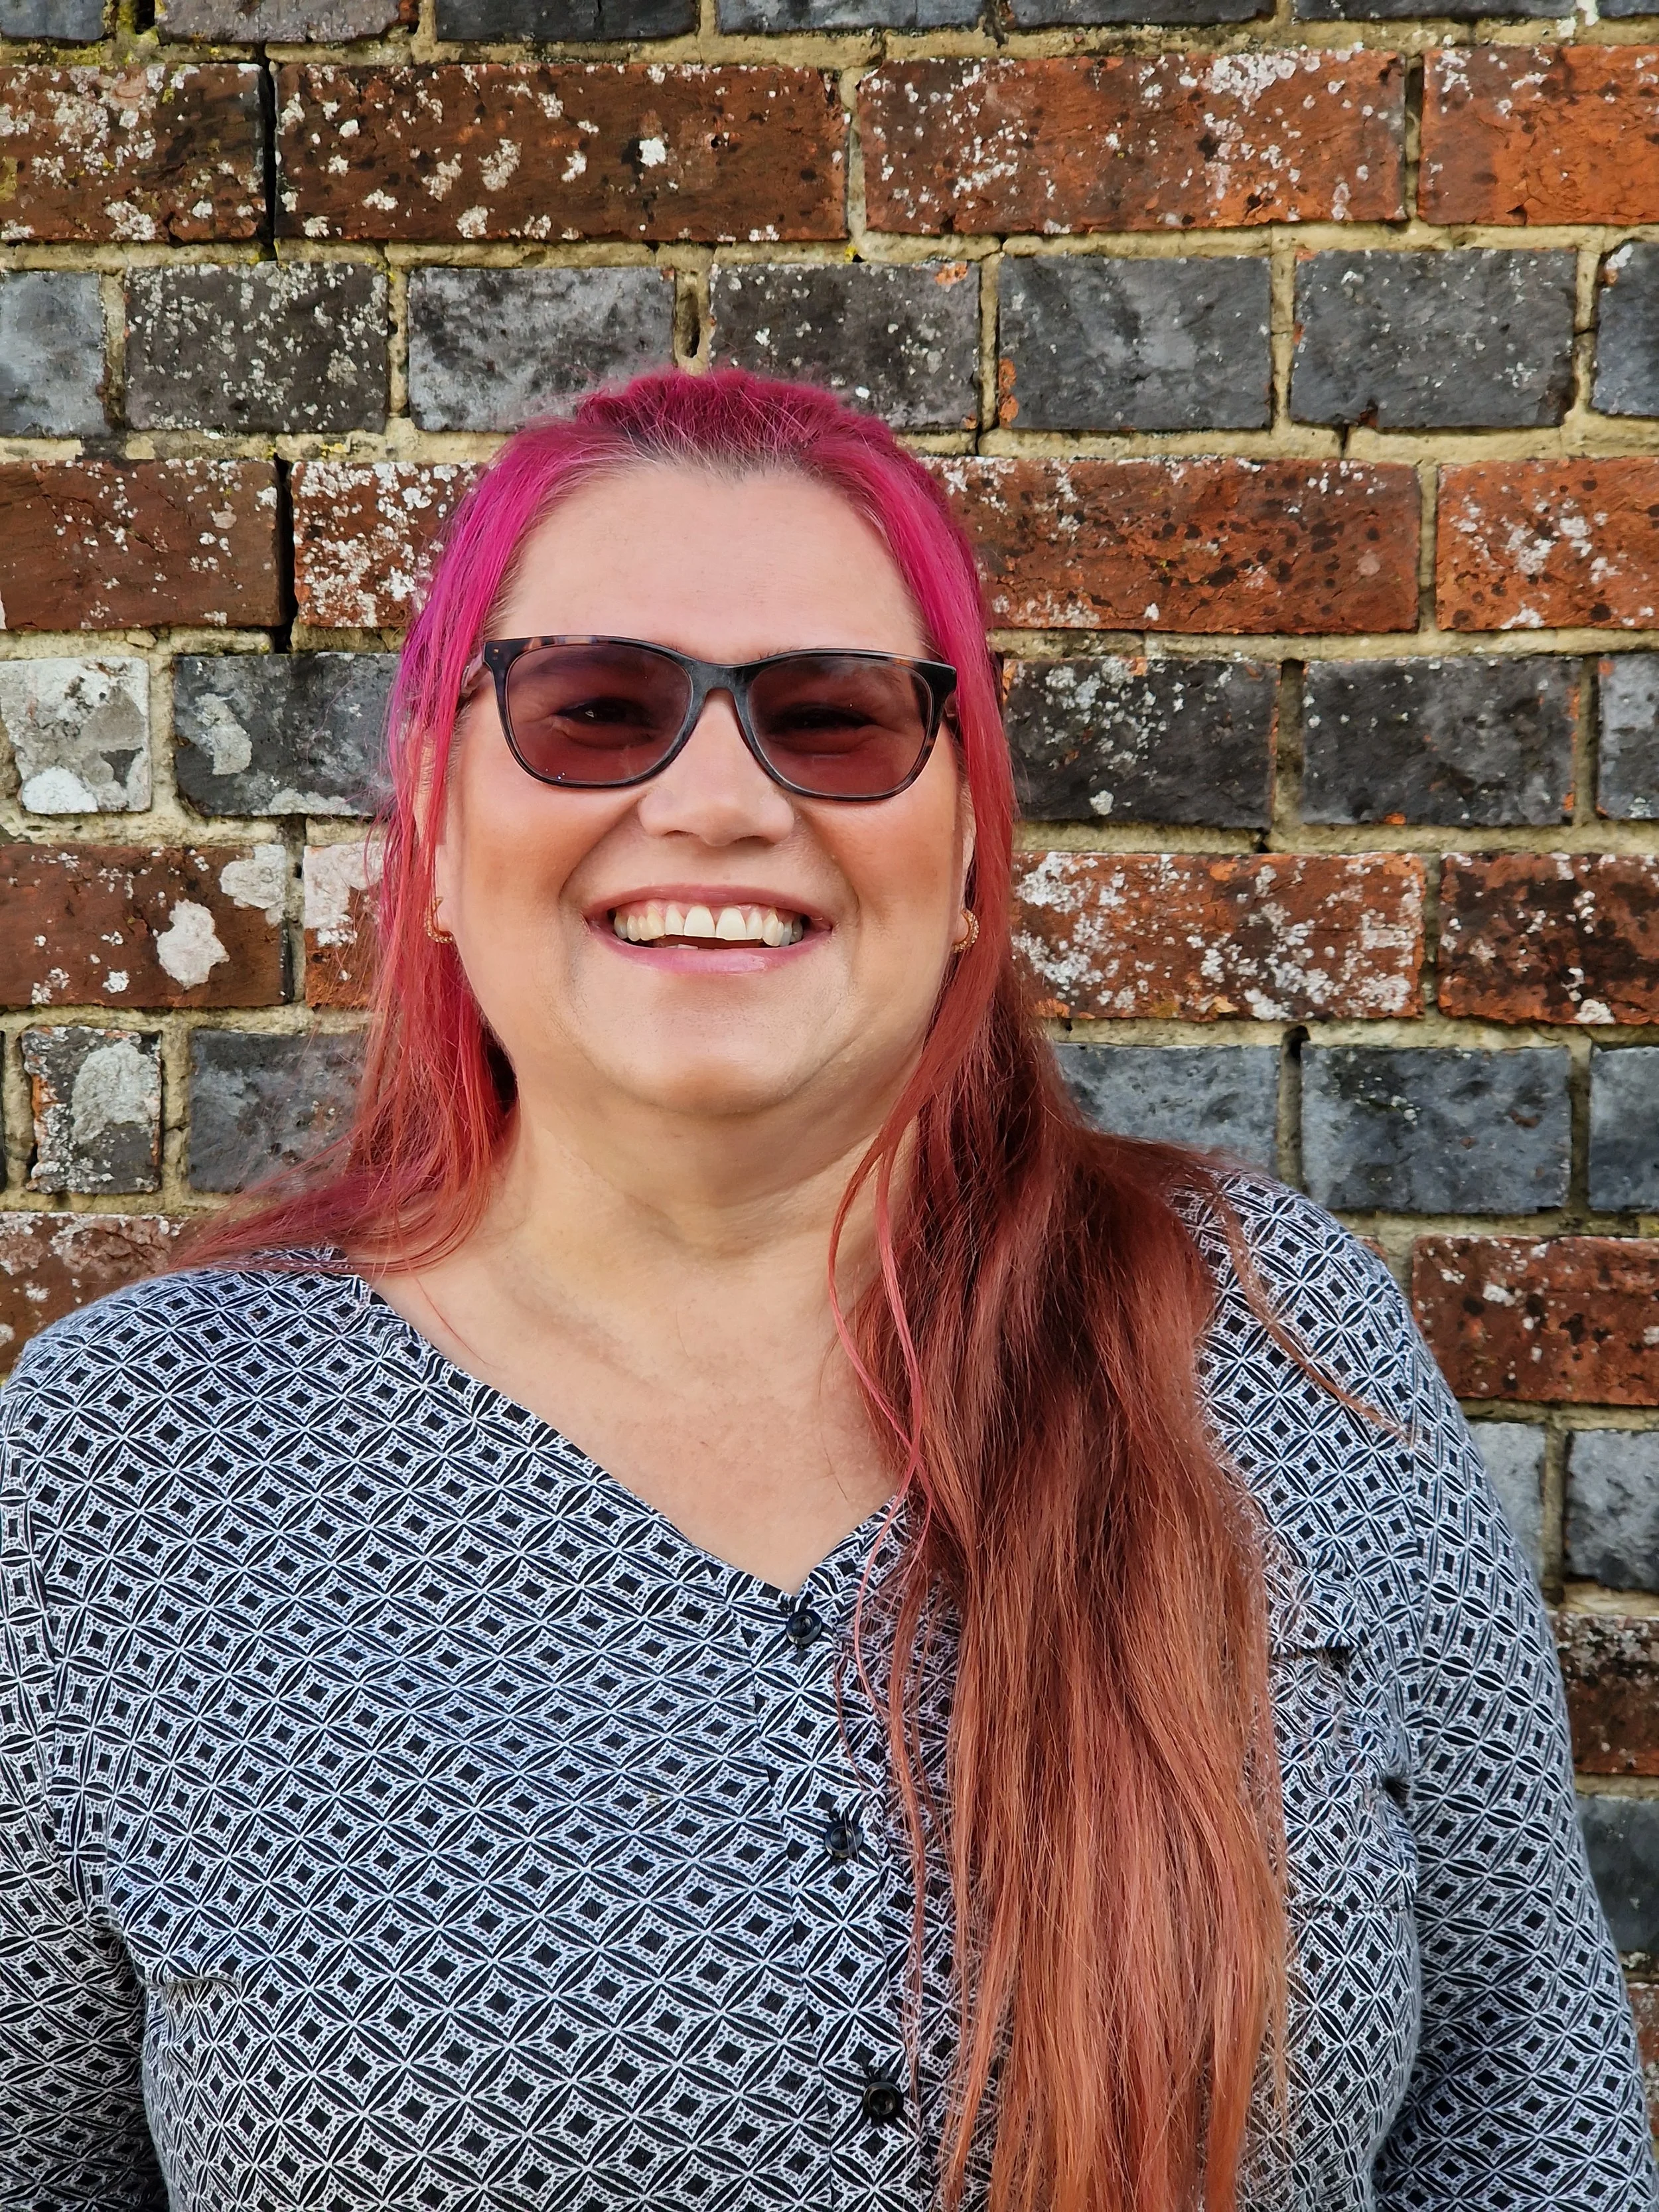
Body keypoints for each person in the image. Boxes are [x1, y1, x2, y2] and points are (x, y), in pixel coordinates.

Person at [0, 369, 1651, 2212]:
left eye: (834, 720)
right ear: (437, 827)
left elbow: (1528, 2125)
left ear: (961, 854)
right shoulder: (128, 1464)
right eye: (594, 710)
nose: (714, 799)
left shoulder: (1268, 1341)